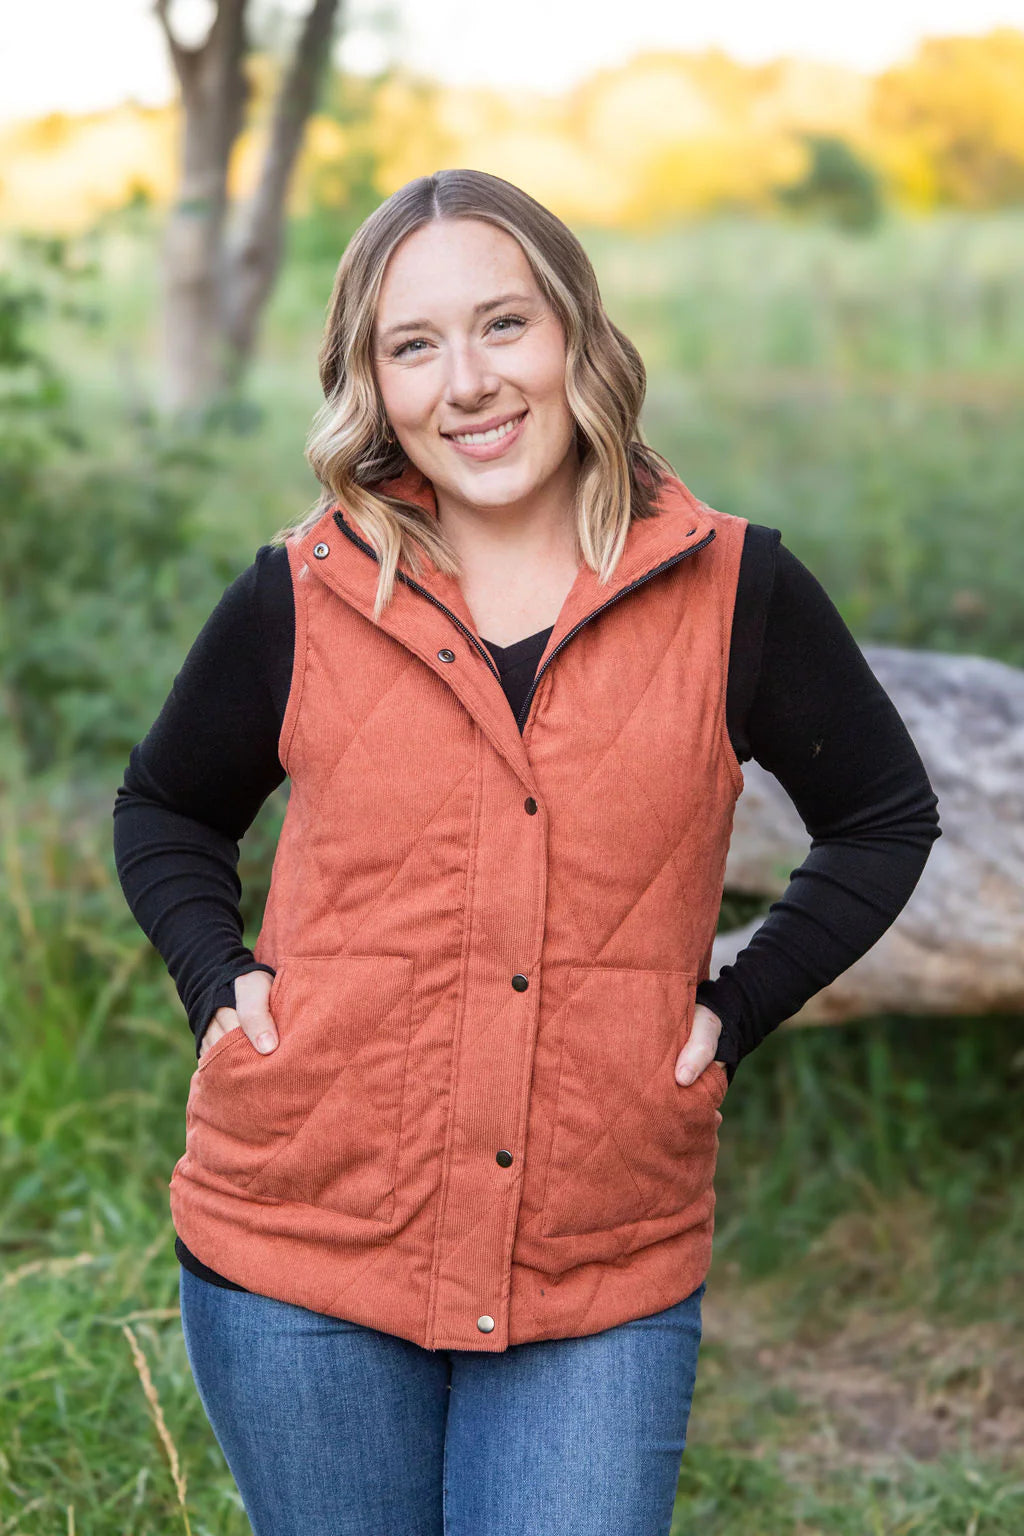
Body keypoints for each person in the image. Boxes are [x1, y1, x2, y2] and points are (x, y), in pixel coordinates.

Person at [113, 169, 941, 1535]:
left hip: (599, 1262)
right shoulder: (303, 591)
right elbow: (166, 807)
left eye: (503, 325)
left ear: (576, 337)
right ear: (371, 384)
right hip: (298, 1244)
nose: (467, 384)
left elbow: (885, 817)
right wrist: (219, 981)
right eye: (413, 345)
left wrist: (734, 1010)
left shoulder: (739, 590)